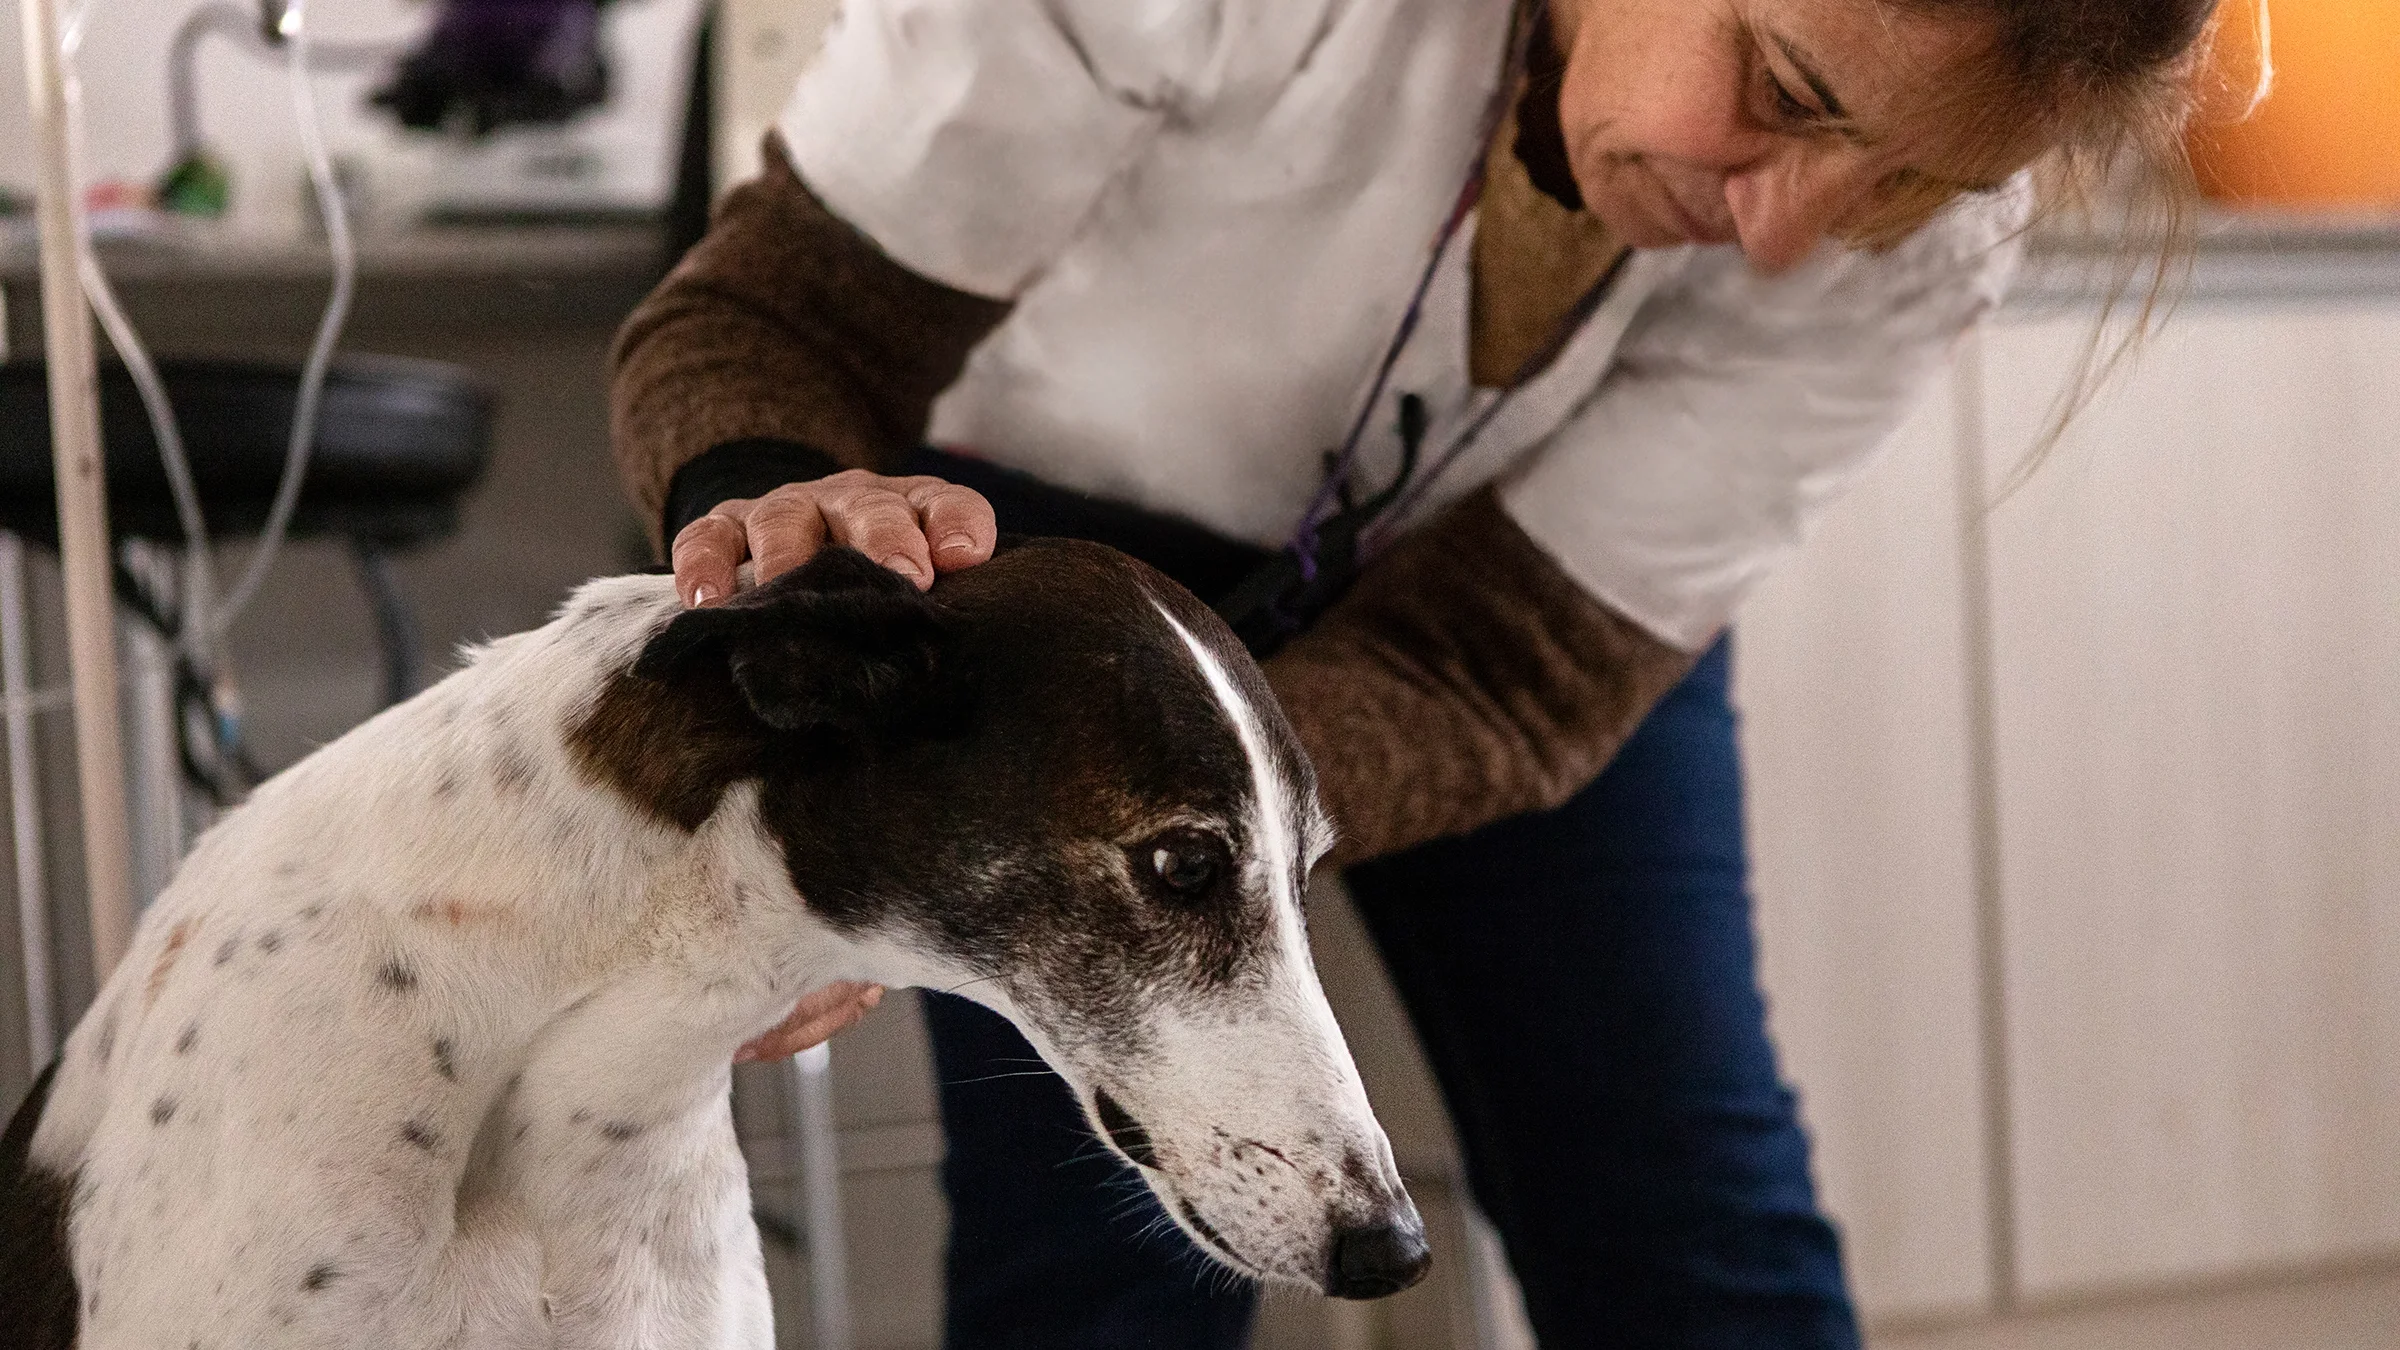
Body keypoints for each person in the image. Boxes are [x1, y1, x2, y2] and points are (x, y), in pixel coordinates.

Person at [608, 0, 2218, 1344]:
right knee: (1097, 1266)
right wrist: (788, 554)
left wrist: (1215, 808)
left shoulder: (1928, 230)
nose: (1789, 234)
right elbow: (769, 317)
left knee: (1681, 1203)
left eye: (1905, 184)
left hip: (1498, 616)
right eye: (1786, 90)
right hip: (1049, 587)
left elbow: (1514, 672)